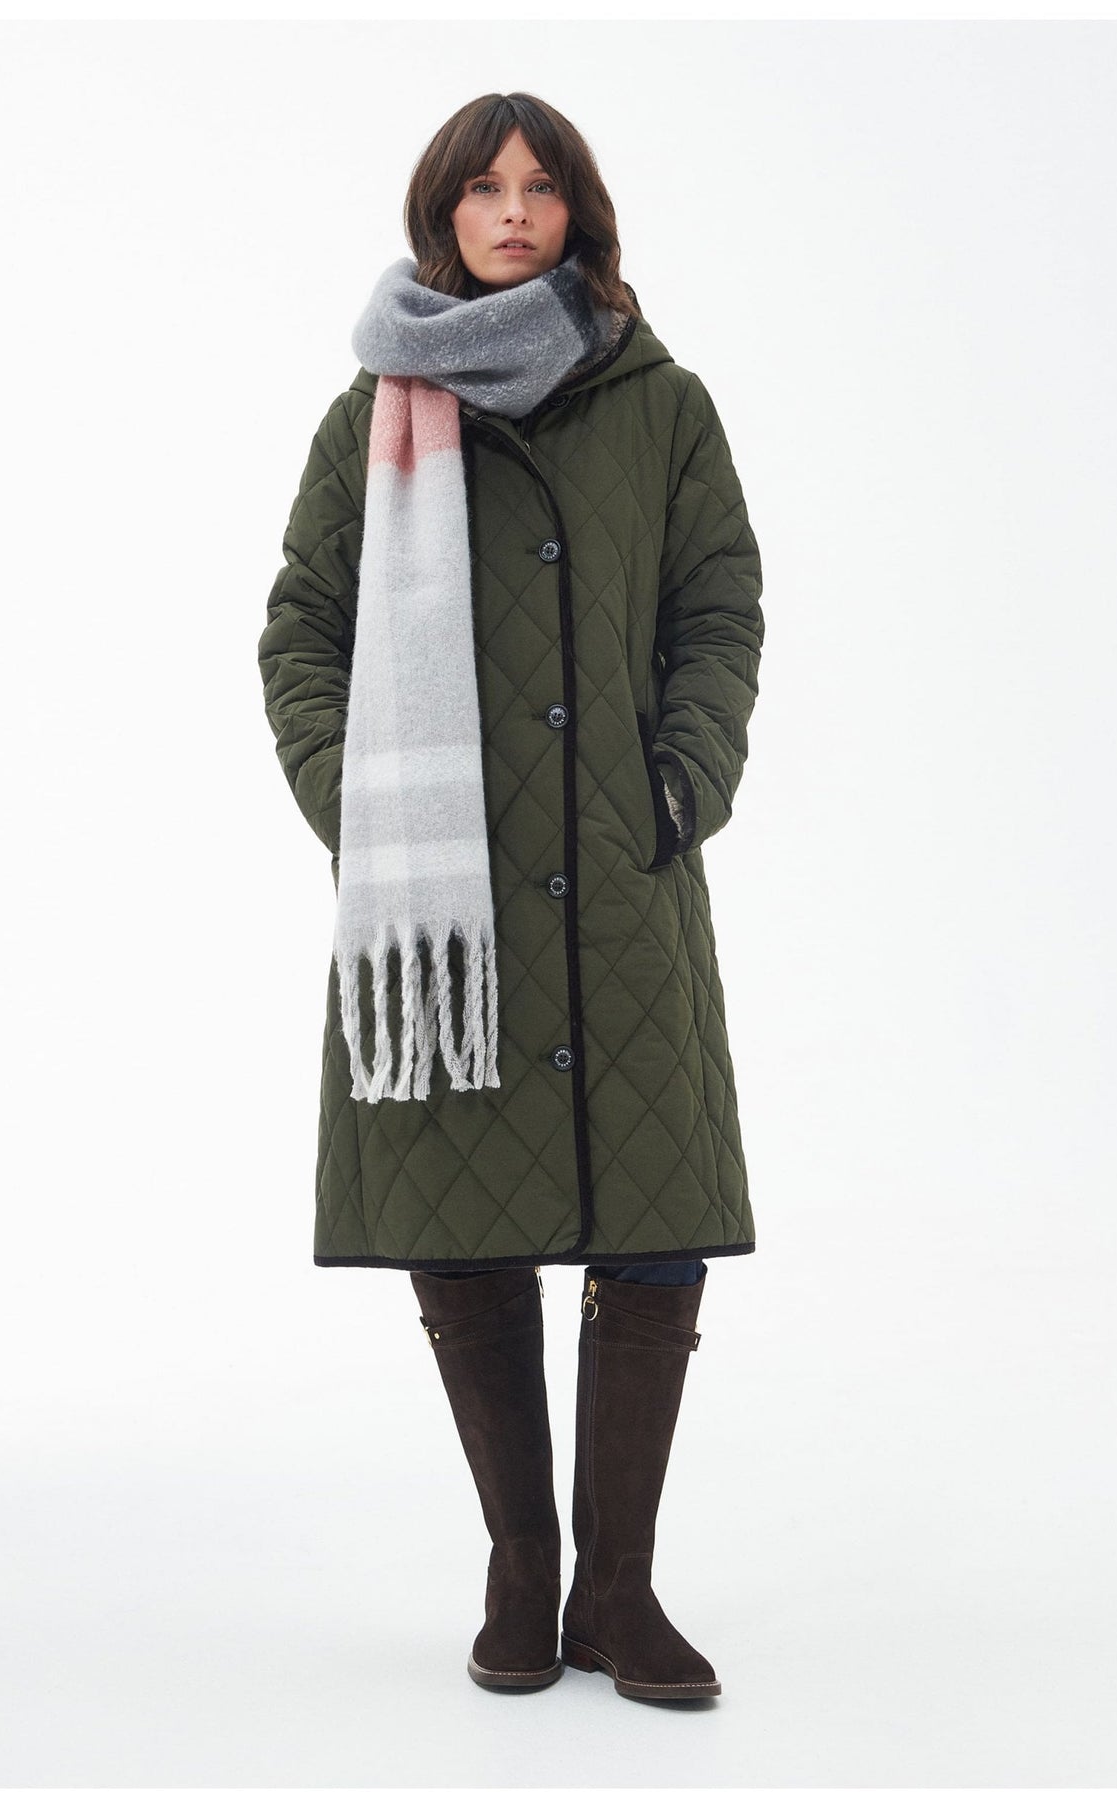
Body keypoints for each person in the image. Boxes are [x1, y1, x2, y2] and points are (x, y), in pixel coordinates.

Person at [257, 91, 764, 1704]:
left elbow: (717, 605)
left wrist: (680, 786)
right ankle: (522, 1564)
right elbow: (304, 627)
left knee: (654, 1230)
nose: (513, 210)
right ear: (442, 216)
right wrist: (354, 806)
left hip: (618, 880)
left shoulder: (661, 405)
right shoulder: (370, 415)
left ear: (578, 213)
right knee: (461, 1220)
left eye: (540, 187)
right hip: (441, 908)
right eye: (483, 188)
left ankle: (618, 1589)